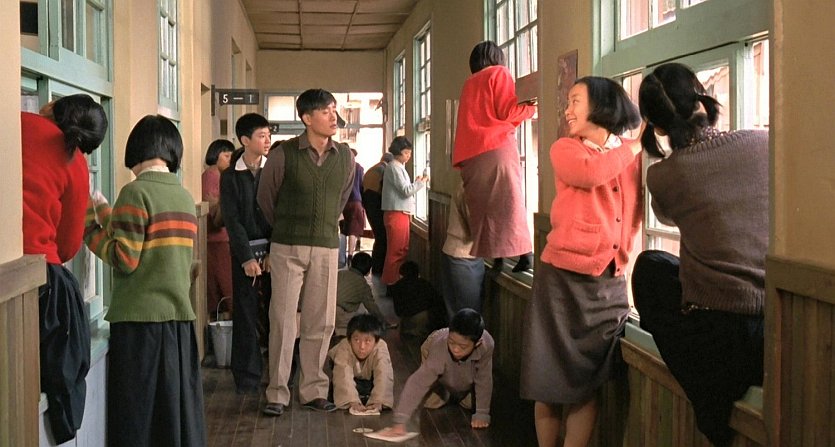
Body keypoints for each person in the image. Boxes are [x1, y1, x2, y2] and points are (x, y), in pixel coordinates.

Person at [631, 62, 768, 447]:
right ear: (702, 99)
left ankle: (709, 409)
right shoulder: (762, 143)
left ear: (657, 128)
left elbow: (665, 216)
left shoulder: (663, 176)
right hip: (775, 330)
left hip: (719, 341)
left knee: (650, 267)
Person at [519, 76, 642, 447]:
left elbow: (634, 211)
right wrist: (636, 146)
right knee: (548, 378)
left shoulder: (629, 154)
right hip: (561, 281)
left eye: (575, 101)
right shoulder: (565, 149)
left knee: (587, 383)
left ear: (600, 105)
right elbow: (590, 174)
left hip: (608, 284)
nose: (567, 110)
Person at [84, 115, 205, 447]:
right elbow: (148, 242)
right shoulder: (183, 196)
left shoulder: (134, 192)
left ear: (135, 151)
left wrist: (89, 229)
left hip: (139, 325)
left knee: (137, 420)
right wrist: (106, 211)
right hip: (178, 323)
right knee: (172, 417)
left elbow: (125, 257)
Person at [257, 88, 356, 417]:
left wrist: (324, 225)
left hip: (326, 246)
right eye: (326, 111)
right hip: (287, 246)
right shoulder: (283, 154)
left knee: (321, 321)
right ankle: (277, 392)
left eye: (334, 110)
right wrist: (287, 228)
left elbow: (341, 199)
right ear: (307, 118)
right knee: (283, 320)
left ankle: (313, 389)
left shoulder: (345, 157)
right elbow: (266, 199)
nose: (333, 117)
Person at [22, 94, 107, 443]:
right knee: (65, 362)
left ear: (49, 108)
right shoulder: (75, 163)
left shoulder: (16, 123)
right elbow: (69, 245)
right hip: (41, 277)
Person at [452, 41, 537, 272]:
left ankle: (496, 258)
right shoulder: (499, 73)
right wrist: (531, 108)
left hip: (470, 156)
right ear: (497, 57)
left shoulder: (468, 83)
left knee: (484, 209)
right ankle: (525, 255)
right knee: (510, 202)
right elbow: (507, 112)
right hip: (496, 148)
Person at [374, 308, 494, 439]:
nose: (455, 349)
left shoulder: (486, 345)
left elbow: (484, 379)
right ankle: (443, 387)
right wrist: (399, 421)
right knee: (431, 402)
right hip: (435, 349)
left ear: (477, 343)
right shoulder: (440, 347)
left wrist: (482, 413)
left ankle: (455, 393)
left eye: (462, 346)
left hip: (465, 369)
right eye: (452, 342)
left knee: (471, 404)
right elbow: (418, 382)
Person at [220, 113, 273, 393]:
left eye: (268, 135)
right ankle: (247, 377)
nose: (267, 140)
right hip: (244, 254)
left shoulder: (273, 170)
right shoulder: (230, 176)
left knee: (277, 312)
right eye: (261, 136)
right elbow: (232, 220)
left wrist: (274, 250)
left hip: (275, 252)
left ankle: (279, 374)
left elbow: (279, 213)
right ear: (245, 140)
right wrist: (247, 258)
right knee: (245, 313)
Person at [380, 136, 427, 285]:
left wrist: (416, 182)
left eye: (410, 153)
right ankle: (391, 282)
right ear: (398, 152)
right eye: (406, 153)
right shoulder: (394, 167)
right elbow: (406, 191)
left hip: (399, 213)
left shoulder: (398, 166)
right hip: (396, 213)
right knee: (397, 251)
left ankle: (394, 281)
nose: (409, 156)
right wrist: (421, 182)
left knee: (401, 249)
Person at [327, 313, 394, 411]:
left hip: (369, 380)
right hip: (349, 376)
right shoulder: (344, 347)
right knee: (340, 379)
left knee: (378, 378)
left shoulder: (380, 348)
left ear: (376, 342)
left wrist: (378, 401)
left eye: (368, 341)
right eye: (357, 340)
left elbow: (383, 374)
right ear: (349, 339)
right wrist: (352, 401)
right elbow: (343, 374)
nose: (362, 347)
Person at [441, 178, 485, 320]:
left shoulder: (465, 183)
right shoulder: (472, 187)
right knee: (468, 315)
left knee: (455, 314)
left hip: (454, 252)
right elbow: (475, 228)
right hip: (464, 256)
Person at [202, 138, 235, 318]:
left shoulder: (219, 175)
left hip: (218, 239)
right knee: (225, 285)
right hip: (217, 239)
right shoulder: (212, 175)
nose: (230, 160)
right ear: (215, 155)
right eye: (226, 156)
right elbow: (214, 210)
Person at [334, 252, 388, 337]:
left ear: (351, 263)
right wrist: (384, 321)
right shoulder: (363, 285)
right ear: (368, 271)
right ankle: (342, 331)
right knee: (362, 310)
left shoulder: (340, 274)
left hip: (325, 311)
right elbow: (372, 307)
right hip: (341, 316)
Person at [388, 261, 445, 341]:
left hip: (410, 318)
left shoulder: (397, 286)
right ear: (417, 273)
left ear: (401, 274)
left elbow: (398, 311)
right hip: (429, 318)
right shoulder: (425, 283)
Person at [362, 152, 394, 274]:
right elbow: (385, 190)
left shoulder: (373, 169)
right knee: (382, 237)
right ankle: (378, 267)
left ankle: (376, 267)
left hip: (367, 201)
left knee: (378, 235)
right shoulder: (384, 170)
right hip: (375, 202)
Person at [340, 148, 365, 262]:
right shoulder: (359, 167)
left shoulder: (341, 167)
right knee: (354, 229)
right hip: (356, 201)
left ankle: (341, 257)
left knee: (342, 229)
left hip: (342, 201)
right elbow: (362, 185)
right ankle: (350, 255)